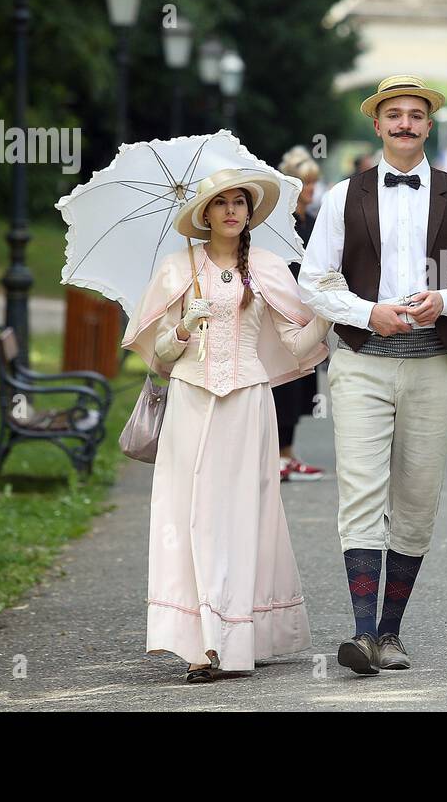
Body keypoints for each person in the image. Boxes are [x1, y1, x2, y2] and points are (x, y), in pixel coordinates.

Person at [298, 74, 447, 675]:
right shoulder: (344, 196)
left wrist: (445, 301)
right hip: (362, 364)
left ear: (429, 125)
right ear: (378, 124)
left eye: (417, 115)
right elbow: (314, 281)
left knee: (416, 499)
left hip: (435, 365)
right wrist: (367, 312)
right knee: (360, 491)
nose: (406, 124)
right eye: (395, 115)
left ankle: (391, 632)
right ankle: (362, 636)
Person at [120, 167, 341, 683]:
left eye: (240, 202)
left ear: (249, 213)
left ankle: (237, 637)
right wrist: (181, 326)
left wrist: (328, 309)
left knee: (243, 514)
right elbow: (158, 358)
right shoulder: (178, 270)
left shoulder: (265, 268)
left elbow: (296, 344)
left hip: (247, 404)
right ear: (204, 214)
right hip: (191, 401)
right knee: (190, 512)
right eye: (222, 203)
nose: (232, 210)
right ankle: (199, 643)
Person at [272, 152, 326, 483]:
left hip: (309, 311)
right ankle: (276, 455)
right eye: (306, 183)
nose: (311, 189)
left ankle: (288, 453)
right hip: (283, 309)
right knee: (283, 382)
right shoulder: (279, 224)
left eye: (314, 182)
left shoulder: (315, 221)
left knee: (302, 379)